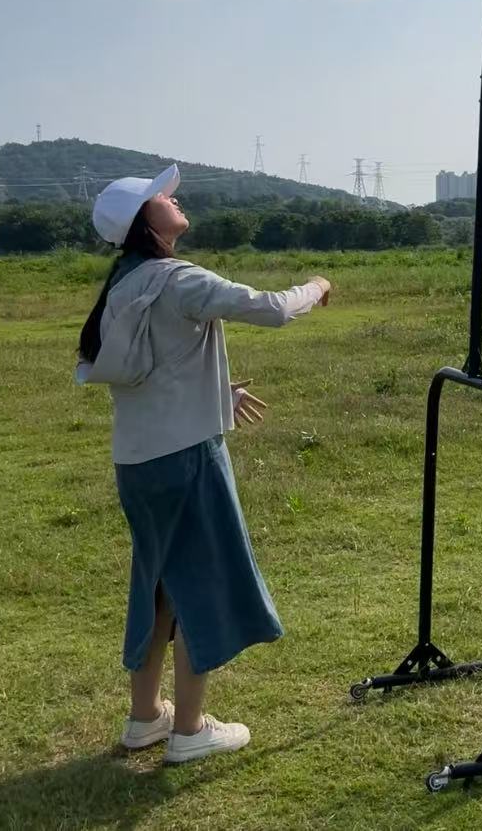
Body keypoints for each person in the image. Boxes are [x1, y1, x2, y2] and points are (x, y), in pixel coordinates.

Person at [76, 165, 330, 764]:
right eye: (161, 197)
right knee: (200, 584)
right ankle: (190, 729)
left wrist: (219, 392)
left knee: (158, 584)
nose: (173, 198)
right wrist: (316, 286)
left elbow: (151, 367)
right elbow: (270, 308)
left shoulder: (124, 285)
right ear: (145, 221)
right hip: (187, 458)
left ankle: (145, 718)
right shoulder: (177, 278)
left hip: (137, 463)